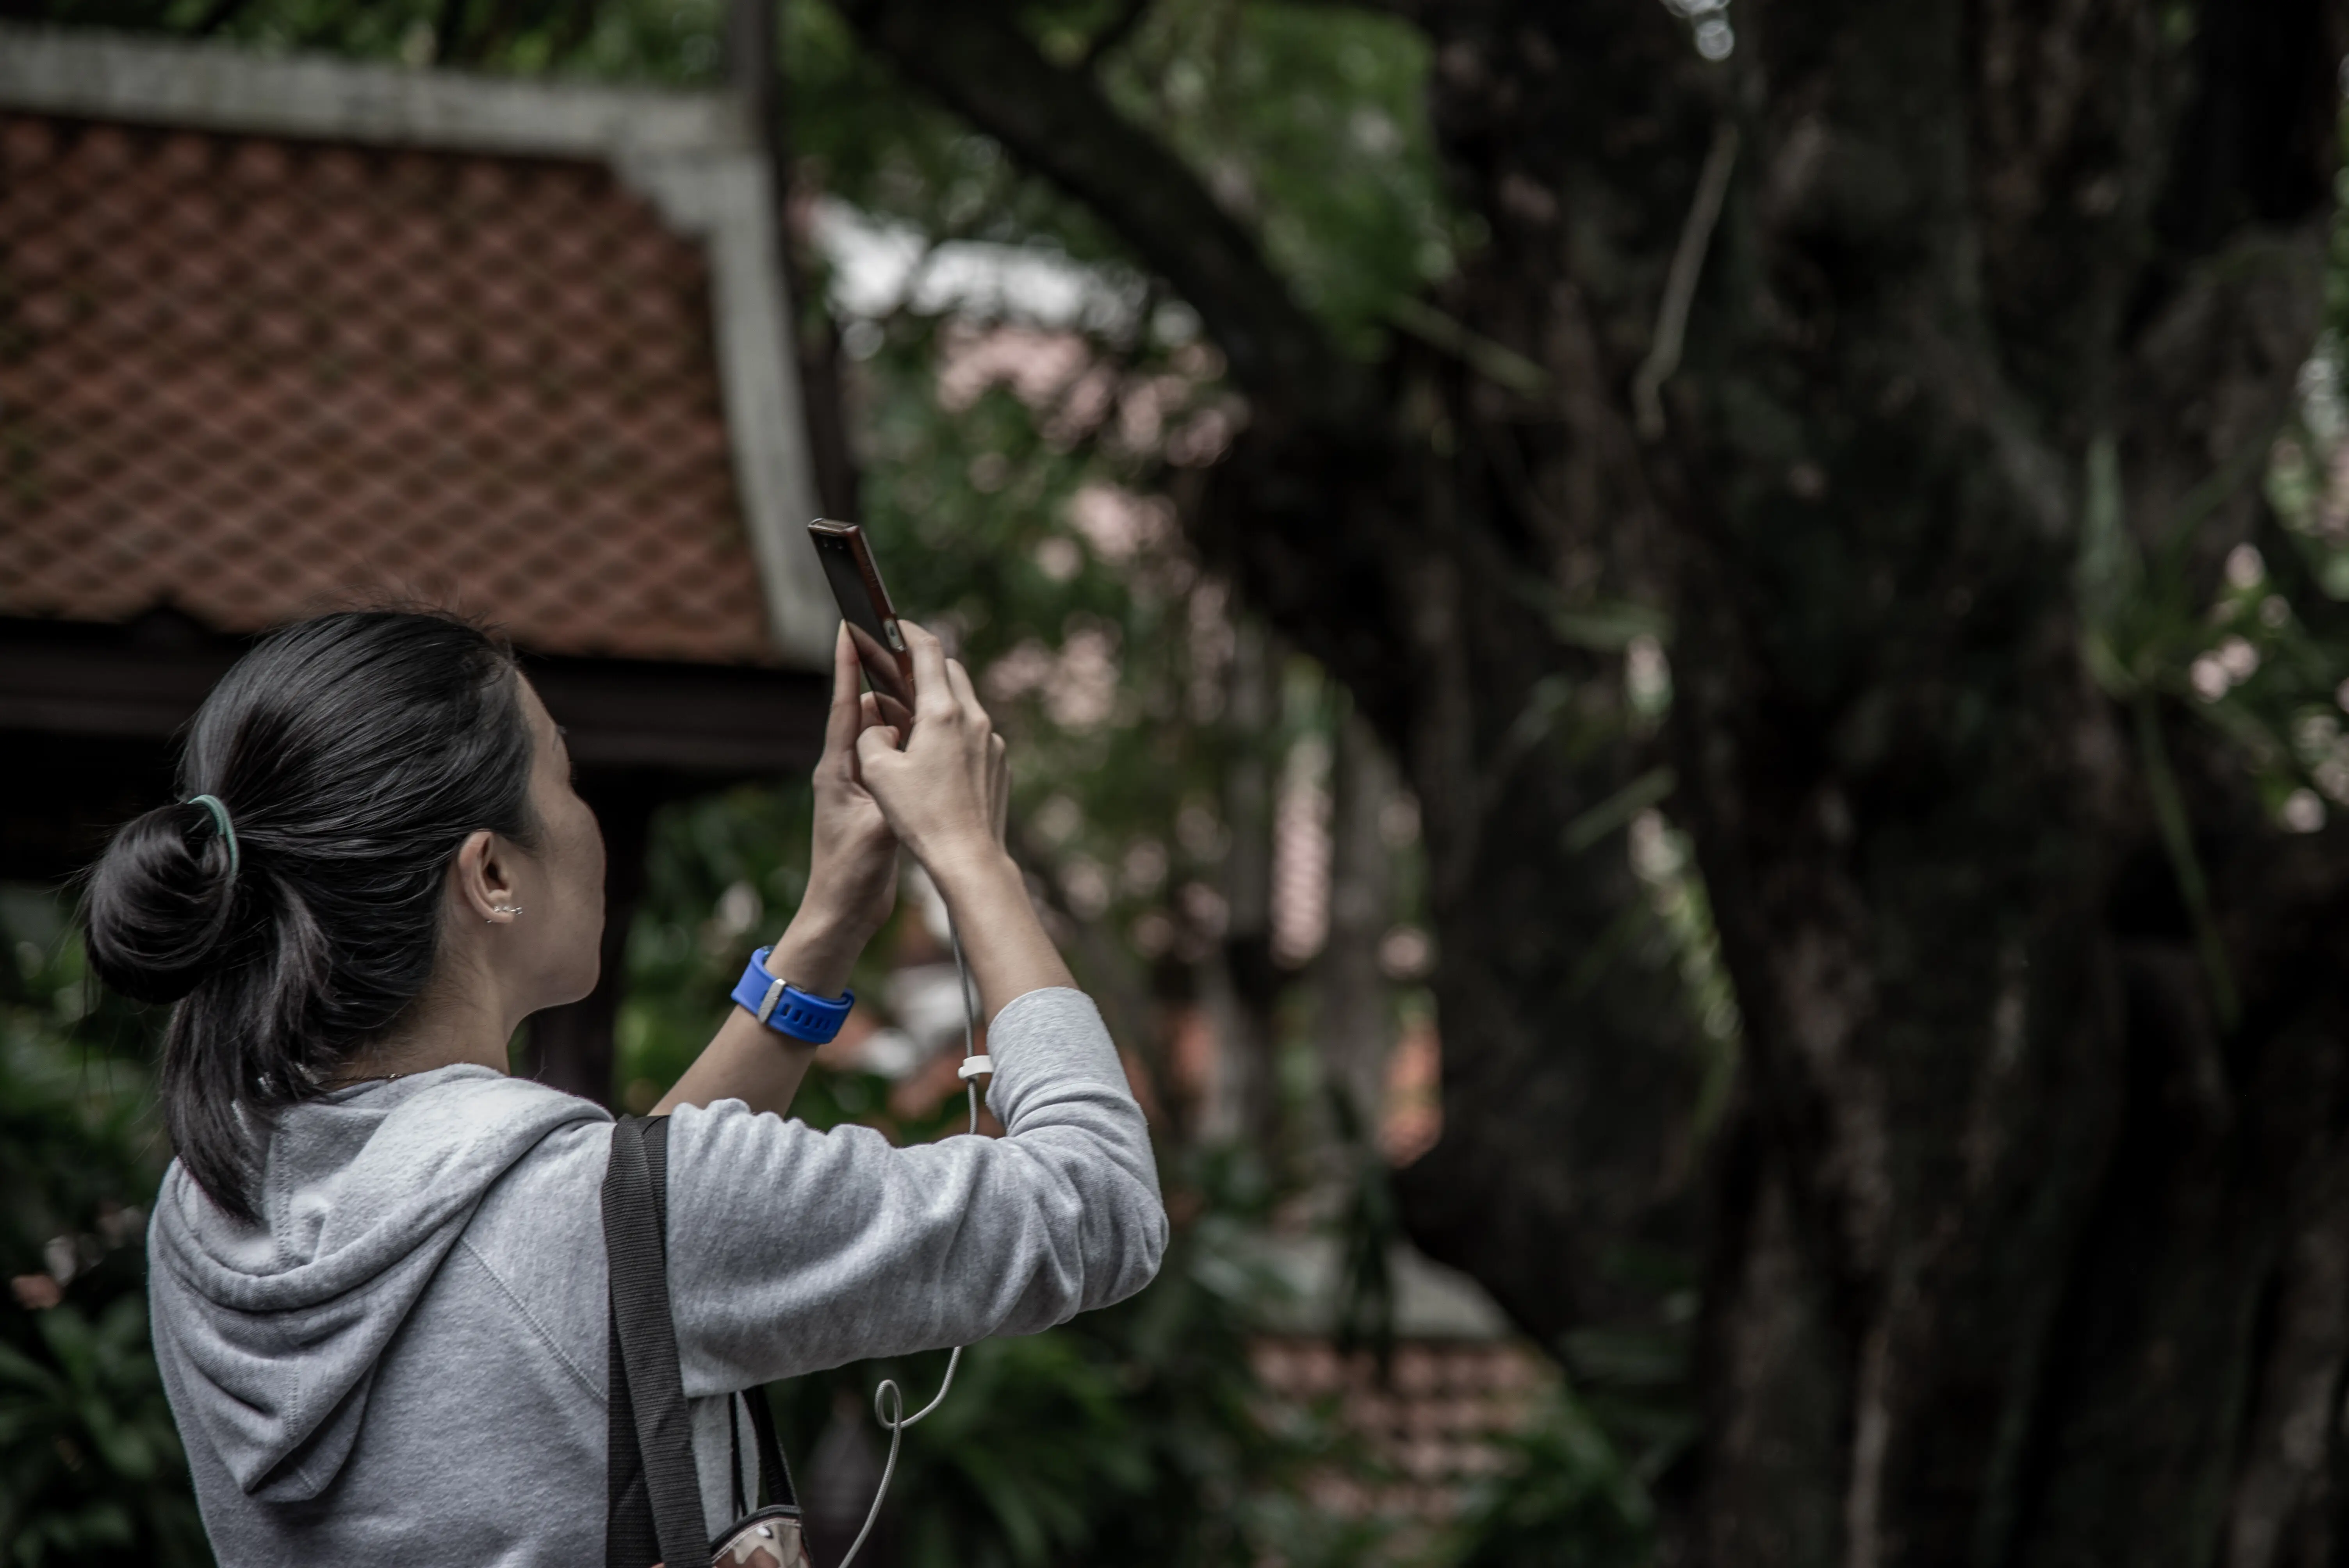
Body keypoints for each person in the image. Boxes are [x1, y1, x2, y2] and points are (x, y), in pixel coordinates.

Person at [83, 607, 1167, 1565]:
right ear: (491, 875)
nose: (586, 818)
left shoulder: (207, 1206)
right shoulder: (587, 1217)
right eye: (567, 776)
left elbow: (608, 1245)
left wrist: (830, 919)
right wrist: (974, 856)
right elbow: (1100, 1203)